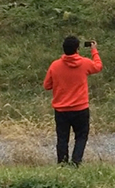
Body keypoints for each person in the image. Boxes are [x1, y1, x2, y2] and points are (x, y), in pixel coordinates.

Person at [43, 36, 103, 167]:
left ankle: (62, 164)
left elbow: (47, 86)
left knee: (62, 138)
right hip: (80, 108)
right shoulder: (85, 63)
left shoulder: (55, 65)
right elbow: (98, 66)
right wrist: (94, 50)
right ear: (77, 49)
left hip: (61, 110)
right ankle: (76, 162)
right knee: (81, 136)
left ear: (64, 49)